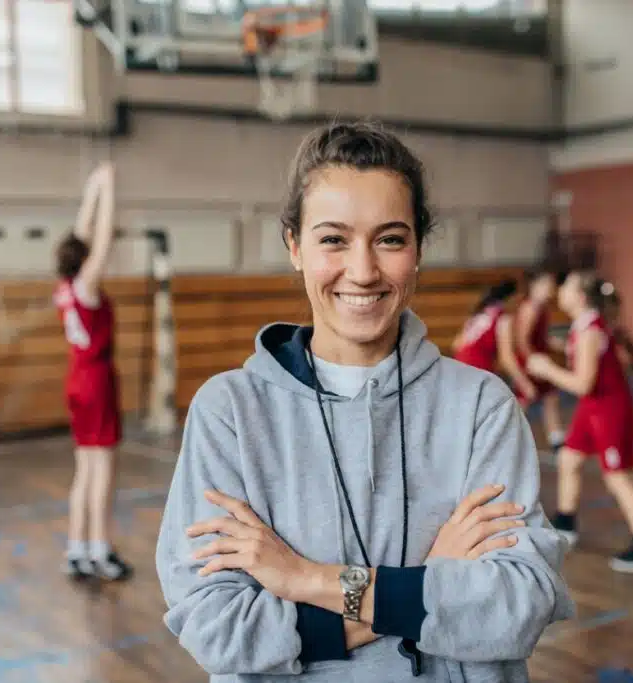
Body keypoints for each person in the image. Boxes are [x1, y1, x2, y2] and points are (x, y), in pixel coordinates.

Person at [155, 122, 573, 681]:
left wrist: (305, 579)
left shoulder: (481, 407)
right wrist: (426, 582)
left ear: (418, 248)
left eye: (390, 238)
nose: (363, 270)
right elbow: (220, 629)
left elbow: (517, 608)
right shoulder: (229, 413)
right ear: (294, 247)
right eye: (333, 239)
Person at [526, 271, 633, 574]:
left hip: (609, 409)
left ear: (580, 296)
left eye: (567, 285)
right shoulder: (584, 326)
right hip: (593, 408)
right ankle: (566, 524)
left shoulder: (590, 330)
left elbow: (581, 384)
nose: (560, 289)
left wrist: (546, 368)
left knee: (617, 477)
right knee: (568, 459)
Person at [53, 160, 132, 582]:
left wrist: (92, 188)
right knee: (102, 470)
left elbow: (81, 239)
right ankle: (100, 549)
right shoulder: (85, 285)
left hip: (76, 380)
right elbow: (99, 242)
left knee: (84, 469)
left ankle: (76, 548)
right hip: (97, 381)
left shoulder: (64, 288)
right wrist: (110, 191)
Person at [513, 267, 566, 452]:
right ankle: (510, 436)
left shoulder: (543, 309)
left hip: (539, 360)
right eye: (547, 284)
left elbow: (541, 338)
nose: (551, 287)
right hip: (531, 362)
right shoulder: (530, 308)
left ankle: (556, 437)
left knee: (550, 398)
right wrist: (531, 361)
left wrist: (560, 345)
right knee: (525, 399)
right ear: (536, 285)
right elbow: (522, 340)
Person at [450, 278, 517, 375]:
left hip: (458, 370)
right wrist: (525, 384)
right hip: (477, 372)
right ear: (511, 298)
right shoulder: (503, 318)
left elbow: (456, 344)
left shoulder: (479, 313)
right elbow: (506, 358)